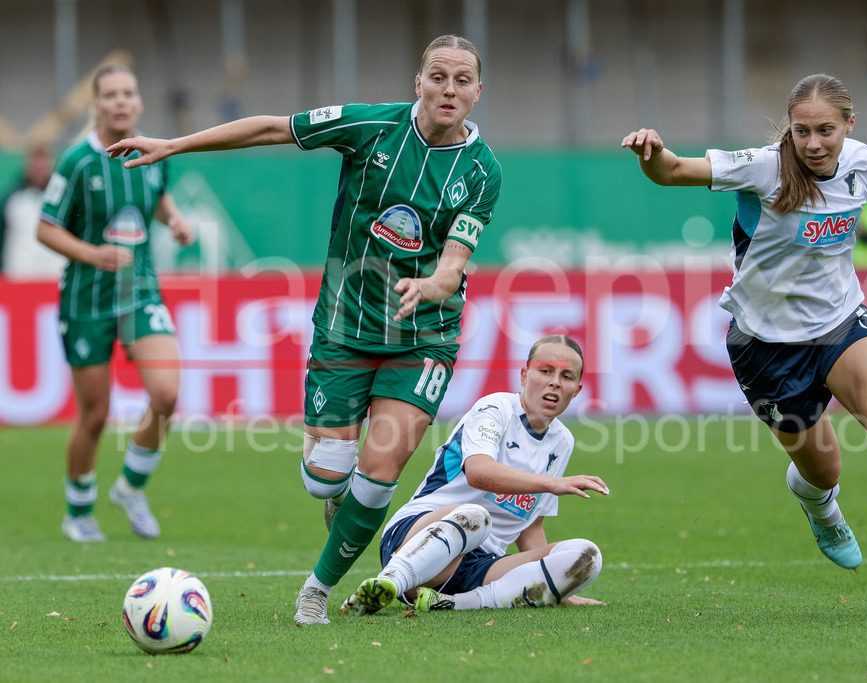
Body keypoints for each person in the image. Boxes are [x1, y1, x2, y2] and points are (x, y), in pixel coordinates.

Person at [106, 35, 502, 625]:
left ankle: (316, 589)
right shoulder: (370, 127)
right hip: (343, 328)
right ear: (417, 83)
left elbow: (454, 262)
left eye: (462, 80)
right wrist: (175, 145)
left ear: (477, 91)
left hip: (422, 337)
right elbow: (272, 128)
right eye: (438, 77)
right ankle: (339, 498)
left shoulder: (481, 170)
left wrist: (433, 287)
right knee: (327, 479)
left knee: (379, 474)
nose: (449, 89)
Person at [622, 73, 867, 613]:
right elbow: (673, 172)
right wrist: (651, 153)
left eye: (826, 130)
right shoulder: (764, 167)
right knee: (824, 471)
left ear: (849, 125)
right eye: (802, 132)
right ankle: (819, 506)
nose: (814, 144)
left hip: (839, 324)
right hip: (765, 345)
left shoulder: (865, 164)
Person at [337, 335, 607, 616]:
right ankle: (390, 582)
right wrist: (553, 484)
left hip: (481, 566)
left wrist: (558, 585)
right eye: (545, 371)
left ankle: (455, 602)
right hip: (418, 538)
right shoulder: (495, 408)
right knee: (476, 517)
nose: (555, 382)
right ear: (524, 376)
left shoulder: (562, 441)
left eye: (566, 376)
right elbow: (479, 472)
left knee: (586, 556)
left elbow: (530, 525)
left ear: (576, 390)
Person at [37, 65, 194, 542]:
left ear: (139, 101)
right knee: (95, 413)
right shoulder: (77, 162)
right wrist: (93, 254)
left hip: (140, 291)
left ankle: (130, 487)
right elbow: (45, 227)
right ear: (97, 105)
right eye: (111, 95)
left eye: (130, 92)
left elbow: (158, 193)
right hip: (87, 299)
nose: (122, 101)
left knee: (166, 394)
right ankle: (78, 510)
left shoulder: (154, 152)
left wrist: (174, 219)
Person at [0, 145, 66, 278]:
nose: (39, 172)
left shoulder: (62, 198)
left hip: (53, 274)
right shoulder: (12, 199)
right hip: (18, 274)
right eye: (36, 167)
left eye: (42, 168)